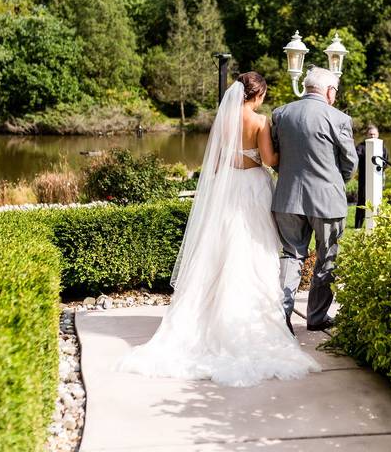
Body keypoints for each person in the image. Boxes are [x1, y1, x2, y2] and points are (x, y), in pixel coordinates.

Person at [118, 72, 319, 387]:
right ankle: (248, 322)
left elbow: (213, 164)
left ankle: (208, 318)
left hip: (226, 190)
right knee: (253, 249)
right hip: (252, 189)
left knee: (221, 250)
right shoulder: (260, 121)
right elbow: (268, 159)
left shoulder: (223, 121)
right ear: (258, 95)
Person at [271, 67, 358, 333]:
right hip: (326, 201)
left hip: (288, 199)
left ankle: (282, 318)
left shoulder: (281, 113)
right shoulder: (339, 118)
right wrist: (332, 182)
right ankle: (316, 317)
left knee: (290, 256)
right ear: (329, 91)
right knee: (327, 257)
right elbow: (350, 163)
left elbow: (275, 156)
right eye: (336, 91)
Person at [354, 125, 388, 229]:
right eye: (370, 134)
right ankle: (358, 226)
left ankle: (377, 224)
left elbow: (386, 161)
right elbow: (356, 159)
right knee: (362, 201)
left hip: (378, 177)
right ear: (366, 135)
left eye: (374, 134)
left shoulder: (382, 147)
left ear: (378, 135)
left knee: (378, 200)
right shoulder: (360, 147)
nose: (372, 136)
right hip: (364, 179)